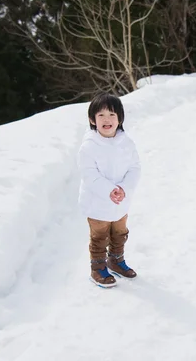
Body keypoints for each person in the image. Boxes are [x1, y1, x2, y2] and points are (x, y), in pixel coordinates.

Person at [77, 93, 141, 288]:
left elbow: (135, 168)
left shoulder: (127, 143)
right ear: (92, 120)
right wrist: (109, 190)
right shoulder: (89, 147)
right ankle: (98, 267)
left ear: (120, 118)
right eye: (101, 115)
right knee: (99, 237)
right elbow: (90, 175)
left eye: (112, 115)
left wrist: (123, 188)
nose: (107, 120)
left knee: (119, 233)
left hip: (121, 201)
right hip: (97, 203)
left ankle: (116, 260)